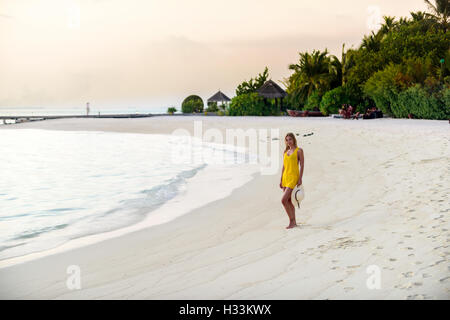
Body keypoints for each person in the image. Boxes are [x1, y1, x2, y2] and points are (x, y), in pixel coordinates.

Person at [279, 133, 305, 229]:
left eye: (290, 139)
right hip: (286, 178)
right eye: (287, 140)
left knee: (283, 200)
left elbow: (302, 165)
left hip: (293, 178)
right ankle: (293, 222)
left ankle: (292, 221)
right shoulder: (286, 152)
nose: (288, 141)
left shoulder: (299, 151)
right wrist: (281, 179)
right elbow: (284, 166)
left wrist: (300, 178)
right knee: (288, 200)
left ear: (294, 139)